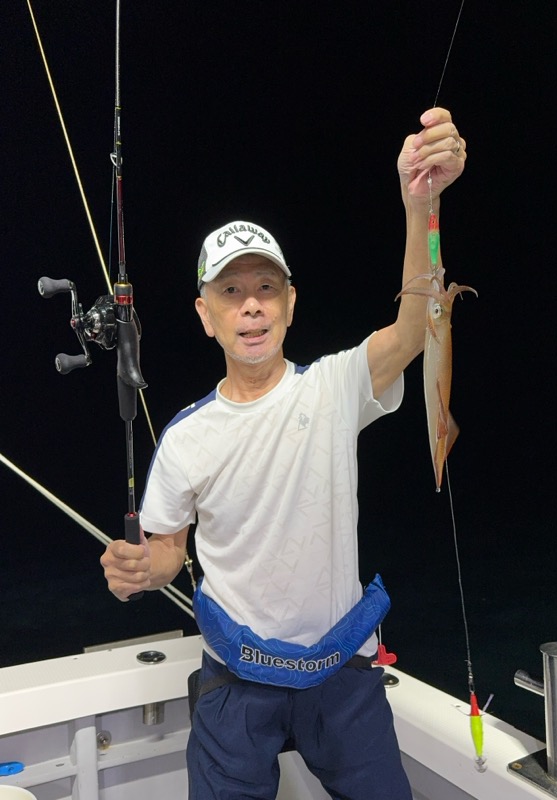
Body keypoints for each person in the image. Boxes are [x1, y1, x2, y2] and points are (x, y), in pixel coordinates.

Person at [100, 106, 466, 800]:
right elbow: (169, 551)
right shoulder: (185, 436)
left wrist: (421, 205)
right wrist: (141, 569)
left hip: (343, 675)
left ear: (291, 304)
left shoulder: (333, 387)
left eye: (266, 288)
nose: (251, 306)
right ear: (206, 315)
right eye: (231, 292)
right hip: (236, 683)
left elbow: (415, 328)